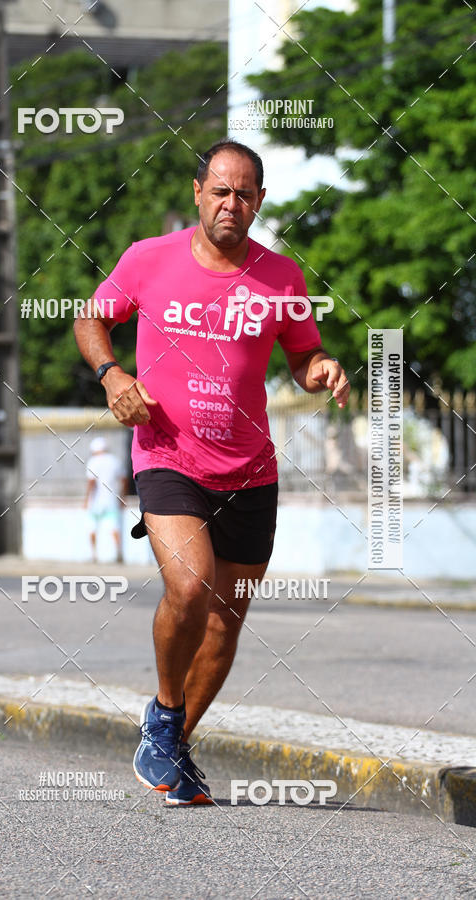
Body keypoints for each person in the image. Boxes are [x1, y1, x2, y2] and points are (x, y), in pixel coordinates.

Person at [74, 138, 350, 806]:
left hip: (251, 470)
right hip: (168, 455)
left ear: (260, 201)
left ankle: (173, 746)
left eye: (245, 193)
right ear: (198, 192)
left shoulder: (282, 277)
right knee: (191, 586)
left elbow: (301, 358)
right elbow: (90, 318)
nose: (232, 203)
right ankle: (165, 713)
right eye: (220, 190)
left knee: (226, 624)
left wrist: (323, 371)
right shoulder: (149, 259)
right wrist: (112, 375)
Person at [85, 436, 127, 563]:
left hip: (96, 500)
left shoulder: (93, 461)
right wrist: (122, 497)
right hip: (112, 499)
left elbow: (91, 482)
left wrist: (86, 499)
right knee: (114, 527)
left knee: (92, 527)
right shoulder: (115, 461)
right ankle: (118, 552)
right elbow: (124, 480)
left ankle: (94, 555)